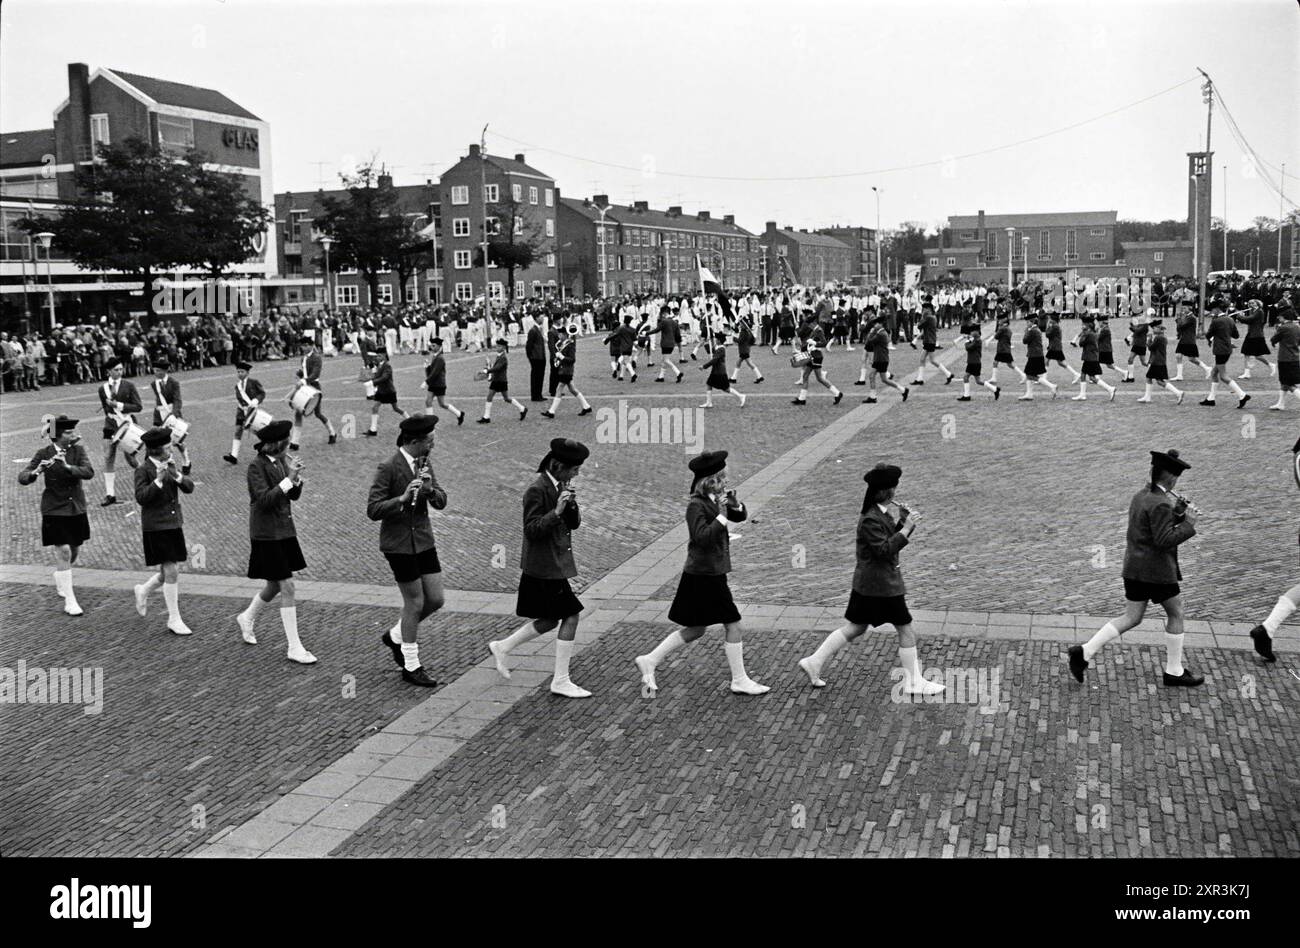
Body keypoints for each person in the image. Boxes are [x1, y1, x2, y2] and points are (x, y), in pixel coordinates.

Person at [799, 463, 945, 695]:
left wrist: (902, 523)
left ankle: (814, 661)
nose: (895, 493)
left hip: (870, 586)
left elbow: (888, 538)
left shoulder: (879, 514)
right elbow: (884, 550)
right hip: (882, 586)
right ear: (886, 492)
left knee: (856, 627)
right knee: (905, 628)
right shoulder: (870, 519)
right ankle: (914, 682)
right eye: (893, 488)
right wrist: (906, 528)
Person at [635, 451, 769, 696]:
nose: (726, 482)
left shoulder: (714, 499)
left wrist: (734, 505)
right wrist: (722, 516)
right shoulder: (696, 506)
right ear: (710, 480)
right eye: (722, 478)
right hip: (704, 575)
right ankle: (739, 679)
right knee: (733, 623)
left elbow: (740, 516)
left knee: (696, 628)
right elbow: (702, 537)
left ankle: (650, 659)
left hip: (708, 573)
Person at [1069, 449, 1203, 688]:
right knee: (1176, 614)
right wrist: (1189, 524)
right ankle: (1174, 671)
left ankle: (1085, 651)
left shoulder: (1142, 496)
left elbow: (1152, 528)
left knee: (1131, 617)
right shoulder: (1161, 502)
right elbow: (1163, 540)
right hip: (1157, 572)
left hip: (1135, 568)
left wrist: (1178, 513)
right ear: (1172, 478)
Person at [488, 438, 594, 698]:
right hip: (544, 566)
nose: (577, 473)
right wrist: (556, 511)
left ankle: (503, 646)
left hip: (551, 564)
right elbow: (531, 530)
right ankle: (560, 680)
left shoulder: (560, 485)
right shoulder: (537, 489)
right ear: (558, 466)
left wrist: (570, 506)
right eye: (573, 469)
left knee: (549, 619)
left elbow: (575, 524)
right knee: (571, 615)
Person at [367, 414, 447, 687]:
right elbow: (373, 509)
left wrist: (430, 491)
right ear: (415, 441)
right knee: (414, 603)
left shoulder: (425, 463)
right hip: (399, 545)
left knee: (435, 599)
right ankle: (411, 665)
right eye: (430, 440)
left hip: (423, 540)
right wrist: (400, 499)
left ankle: (395, 635)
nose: (433, 444)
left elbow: (441, 500)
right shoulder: (388, 467)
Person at [235, 420, 317, 664]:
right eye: (286, 442)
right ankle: (294, 647)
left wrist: (296, 478)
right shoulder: (255, 467)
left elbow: (293, 495)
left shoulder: (281, 461)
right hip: (266, 534)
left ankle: (247, 617)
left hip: (283, 530)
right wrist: (288, 479)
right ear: (276, 445)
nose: (289, 445)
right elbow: (263, 501)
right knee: (287, 586)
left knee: (274, 585)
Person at [18, 416, 93, 616]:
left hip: (75, 507)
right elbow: (23, 477)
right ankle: (70, 600)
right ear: (58, 436)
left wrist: (68, 467)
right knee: (65, 552)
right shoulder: (44, 453)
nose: (74, 435)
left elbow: (89, 472)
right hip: (54, 509)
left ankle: (61, 574)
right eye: (69, 433)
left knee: (74, 550)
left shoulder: (78, 450)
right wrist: (37, 471)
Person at [132, 427, 195, 635]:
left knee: (167, 570)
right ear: (158, 450)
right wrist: (158, 481)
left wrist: (176, 475)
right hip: (156, 525)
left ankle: (143, 590)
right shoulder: (143, 470)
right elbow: (141, 497)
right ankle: (174, 618)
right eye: (168, 447)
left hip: (174, 522)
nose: (171, 449)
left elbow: (189, 487)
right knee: (171, 570)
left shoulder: (171, 465)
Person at [97, 357, 142, 505]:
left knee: (131, 459)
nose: (119, 372)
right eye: (116, 370)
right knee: (108, 457)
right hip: (110, 424)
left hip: (126, 423)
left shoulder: (129, 385)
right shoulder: (102, 389)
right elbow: (106, 410)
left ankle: (147, 475)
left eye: (121, 369)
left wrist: (120, 405)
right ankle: (110, 494)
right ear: (108, 371)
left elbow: (138, 406)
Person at [1201, 299, 1251, 409]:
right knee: (1214, 373)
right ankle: (1211, 399)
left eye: (1213, 309)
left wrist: (1209, 336)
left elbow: (1209, 334)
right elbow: (1236, 335)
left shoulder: (1216, 321)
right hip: (1227, 349)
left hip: (1220, 350)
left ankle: (1242, 395)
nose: (1212, 311)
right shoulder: (1230, 319)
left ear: (1217, 309)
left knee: (1223, 376)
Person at [291, 339, 338, 449]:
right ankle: (294, 442)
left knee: (318, 414)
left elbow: (316, 373)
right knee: (298, 413)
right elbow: (305, 372)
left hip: (314, 387)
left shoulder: (317, 357)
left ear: (312, 346)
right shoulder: (303, 357)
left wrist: (303, 380)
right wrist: (299, 373)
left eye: (306, 345)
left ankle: (332, 432)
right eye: (302, 345)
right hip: (305, 387)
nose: (304, 347)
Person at [148, 360, 191, 474]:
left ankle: (186, 460)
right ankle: (168, 464)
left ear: (164, 371)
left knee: (178, 440)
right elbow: (158, 401)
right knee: (163, 441)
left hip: (172, 412)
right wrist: (156, 418)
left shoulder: (174, 383)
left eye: (158, 370)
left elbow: (178, 400)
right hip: (160, 414)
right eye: (154, 370)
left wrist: (174, 415)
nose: (155, 373)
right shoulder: (154, 384)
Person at [541, 326, 593, 418]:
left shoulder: (570, 345)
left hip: (567, 371)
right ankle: (586, 406)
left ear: (565, 335)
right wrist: (558, 359)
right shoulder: (562, 344)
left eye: (560, 334)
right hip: (563, 369)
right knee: (573, 389)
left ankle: (551, 411)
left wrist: (561, 357)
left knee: (559, 388)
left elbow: (572, 360)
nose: (559, 336)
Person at [224, 360, 266, 465]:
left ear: (247, 372)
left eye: (242, 372)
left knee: (257, 431)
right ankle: (234, 455)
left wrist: (256, 400)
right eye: (238, 372)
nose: (239, 374)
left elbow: (262, 393)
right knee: (238, 431)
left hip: (252, 410)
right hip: (241, 411)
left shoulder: (253, 382)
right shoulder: (237, 386)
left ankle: (266, 446)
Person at [477, 338, 528, 423]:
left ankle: (522, 408)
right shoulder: (499, 356)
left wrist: (487, 371)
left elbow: (497, 368)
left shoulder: (503, 357)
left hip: (500, 381)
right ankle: (487, 416)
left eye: (499, 346)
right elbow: (496, 367)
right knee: (498, 397)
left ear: (503, 347)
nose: (497, 347)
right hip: (498, 380)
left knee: (504, 398)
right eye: (497, 346)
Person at [1134, 319, 1184, 405]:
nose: (1153, 330)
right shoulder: (1162, 337)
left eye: (1154, 328)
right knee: (1154, 379)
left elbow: (1150, 348)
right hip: (1160, 361)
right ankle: (1147, 397)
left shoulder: (1158, 338)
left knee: (1156, 380)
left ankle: (1178, 392)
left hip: (1156, 362)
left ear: (1158, 328)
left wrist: (1149, 339)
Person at [862, 315, 909, 403]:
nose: (874, 326)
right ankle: (903, 390)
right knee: (884, 379)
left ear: (880, 324)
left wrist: (871, 332)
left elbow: (870, 341)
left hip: (880, 359)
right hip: (881, 359)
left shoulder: (881, 334)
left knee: (872, 376)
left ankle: (873, 397)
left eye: (876, 324)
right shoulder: (881, 333)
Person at [791, 329, 844, 407]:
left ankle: (837, 393)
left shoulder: (819, 330)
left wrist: (814, 343)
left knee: (820, 378)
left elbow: (824, 343)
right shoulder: (813, 330)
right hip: (812, 356)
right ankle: (802, 399)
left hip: (816, 356)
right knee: (805, 376)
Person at [364, 348, 410, 436]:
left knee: (396, 408)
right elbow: (377, 376)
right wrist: (372, 375)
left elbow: (384, 377)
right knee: (374, 407)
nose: (377, 357)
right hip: (381, 391)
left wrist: (372, 382)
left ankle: (410, 419)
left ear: (385, 356)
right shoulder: (379, 365)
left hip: (389, 391)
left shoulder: (387, 366)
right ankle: (373, 429)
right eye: (377, 356)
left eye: (379, 356)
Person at [1069, 316, 1116, 402]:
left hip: (1090, 358)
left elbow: (1081, 343)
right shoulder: (1092, 332)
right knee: (1087, 376)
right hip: (1092, 357)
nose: (1082, 326)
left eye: (1083, 324)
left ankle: (1110, 389)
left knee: (1090, 377)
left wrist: (1083, 334)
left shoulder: (1088, 334)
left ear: (1088, 325)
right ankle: (1083, 394)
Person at [422, 337, 465, 424]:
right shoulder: (435, 356)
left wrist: (426, 382)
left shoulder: (440, 358)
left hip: (439, 384)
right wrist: (427, 367)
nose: (432, 348)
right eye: (431, 346)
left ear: (439, 346)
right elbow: (431, 372)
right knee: (428, 401)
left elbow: (435, 373)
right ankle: (430, 422)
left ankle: (459, 414)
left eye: (434, 346)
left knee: (442, 404)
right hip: (434, 384)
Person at [699, 332, 746, 410]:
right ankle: (709, 402)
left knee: (726, 389)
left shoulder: (721, 349)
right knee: (709, 384)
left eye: (716, 339)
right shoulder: (718, 347)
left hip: (719, 372)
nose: (715, 340)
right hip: (716, 371)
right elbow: (710, 351)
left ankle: (741, 396)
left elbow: (714, 360)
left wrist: (704, 366)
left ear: (719, 340)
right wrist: (707, 343)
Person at [909, 303, 953, 386]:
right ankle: (920, 378)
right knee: (922, 359)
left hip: (929, 341)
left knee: (932, 360)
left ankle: (948, 374)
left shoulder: (928, 317)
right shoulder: (933, 317)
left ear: (929, 309)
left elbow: (919, 326)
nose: (923, 310)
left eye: (925, 309)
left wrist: (922, 316)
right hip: (929, 340)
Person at [955, 322, 1000, 402]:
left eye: (972, 331)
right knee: (978, 381)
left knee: (966, 377)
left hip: (974, 363)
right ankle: (995, 389)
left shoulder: (977, 341)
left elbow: (968, 348)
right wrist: (969, 339)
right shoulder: (976, 339)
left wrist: (967, 340)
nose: (971, 333)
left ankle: (967, 396)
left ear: (976, 332)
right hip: (974, 362)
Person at [1018, 313, 1058, 400]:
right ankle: (1029, 394)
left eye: (1027, 322)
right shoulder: (1037, 329)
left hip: (1034, 355)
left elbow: (1024, 341)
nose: (1026, 324)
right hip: (1037, 355)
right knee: (1030, 374)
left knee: (1030, 375)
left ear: (1031, 322)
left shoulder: (1032, 330)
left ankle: (1051, 386)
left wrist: (1026, 331)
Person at [1267, 306, 1300, 410]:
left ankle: (1281, 404)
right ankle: (1281, 404)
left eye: (1280, 317)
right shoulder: (1296, 326)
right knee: (1284, 383)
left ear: (1284, 317)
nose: (1278, 318)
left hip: (1285, 358)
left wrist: (1277, 329)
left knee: (1289, 384)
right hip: (1295, 357)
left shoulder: (1283, 327)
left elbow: (1274, 339)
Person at [1235, 299, 1274, 380]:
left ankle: (1270, 365)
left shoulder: (1259, 311)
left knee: (1257, 355)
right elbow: (1248, 321)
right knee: (1246, 353)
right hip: (1250, 334)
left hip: (1257, 335)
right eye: (1249, 303)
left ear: (1257, 304)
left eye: (1253, 303)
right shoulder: (1252, 311)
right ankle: (1247, 373)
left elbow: (1249, 319)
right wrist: (1241, 317)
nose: (1251, 304)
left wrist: (1239, 316)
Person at [1171, 308, 1212, 381]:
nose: (1183, 309)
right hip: (1185, 339)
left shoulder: (1191, 318)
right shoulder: (1187, 317)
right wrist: (1179, 320)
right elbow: (1179, 329)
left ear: (1189, 308)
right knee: (1186, 357)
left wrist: (1178, 319)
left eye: (1185, 307)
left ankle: (1207, 368)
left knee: (1188, 358)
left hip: (1188, 340)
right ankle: (1180, 375)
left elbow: (1181, 326)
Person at [730, 317, 764, 384]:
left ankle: (759, 376)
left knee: (749, 363)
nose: (740, 325)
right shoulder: (748, 331)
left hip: (743, 350)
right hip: (746, 349)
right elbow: (752, 340)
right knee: (740, 363)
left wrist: (734, 338)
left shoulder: (743, 332)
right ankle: (733, 378)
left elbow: (740, 341)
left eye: (741, 324)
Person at [525, 317, 548, 401]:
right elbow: (529, 345)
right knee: (536, 377)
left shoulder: (539, 329)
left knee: (540, 376)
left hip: (540, 357)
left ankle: (539, 394)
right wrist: (530, 356)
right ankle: (535, 395)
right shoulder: (533, 330)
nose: (542, 318)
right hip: (536, 358)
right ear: (537, 318)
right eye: (541, 317)